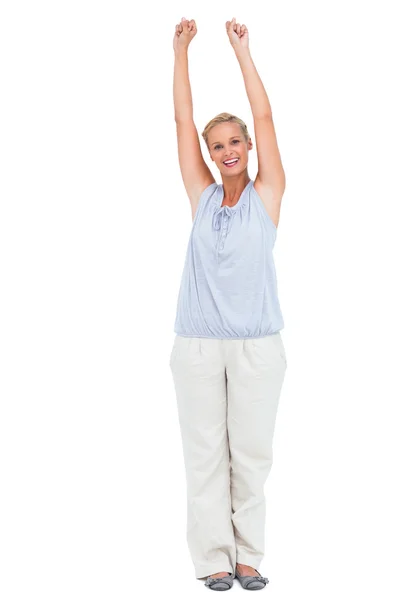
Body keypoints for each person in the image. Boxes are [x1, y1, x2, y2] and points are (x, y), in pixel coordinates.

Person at [170, 17, 287, 591]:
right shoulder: (202, 197)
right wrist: (181, 52)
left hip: (257, 345)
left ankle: (249, 558)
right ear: (211, 156)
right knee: (205, 457)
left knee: (252, 456)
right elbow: (181, 123)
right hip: (196, 343)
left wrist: (241, 51)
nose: (227, 152)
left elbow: (263, 117)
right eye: (218, 147)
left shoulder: (267, 196)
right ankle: (215, 558)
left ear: (246, 145)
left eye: (235, 142)